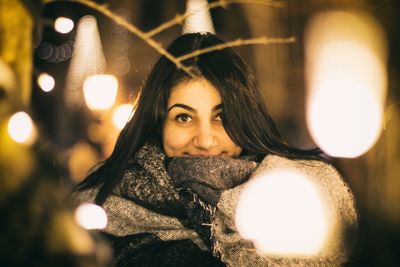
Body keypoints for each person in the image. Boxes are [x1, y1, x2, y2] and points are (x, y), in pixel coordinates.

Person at [74, 33, 358, 266]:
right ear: (159, 125)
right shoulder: (102, 206)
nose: (206, 140)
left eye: (221, 116)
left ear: (246, 118)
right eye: (184, 117)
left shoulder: (307, 202)